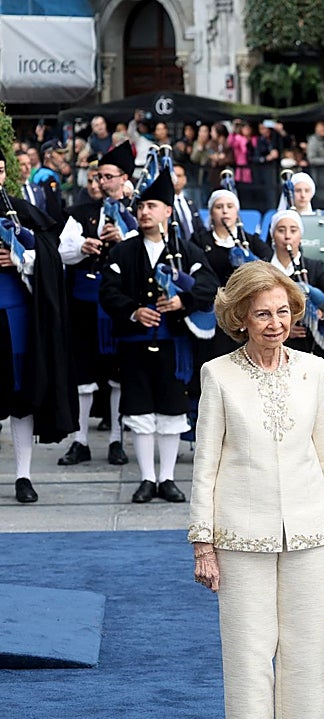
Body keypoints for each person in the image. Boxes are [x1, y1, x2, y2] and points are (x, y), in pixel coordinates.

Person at [190, 260, 324, 719]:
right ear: (239, 317)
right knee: (248, 654)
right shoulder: (217, 375)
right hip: (241, 535)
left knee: (309, 654)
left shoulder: (312, 369)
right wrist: (203, 541)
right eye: (261, 313)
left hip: (311, 531)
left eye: (283, 311)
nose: (274, 322)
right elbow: (205, 466)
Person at [98, 169, 218, 503]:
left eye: (151, 206)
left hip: (173, 345)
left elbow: (209, 284)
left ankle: (167, 478)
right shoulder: (123, 251)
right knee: (138, 409)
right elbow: (108, 291)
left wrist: (184, 300)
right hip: (134, 344)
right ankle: (146, 478)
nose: (144, 212)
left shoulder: (187, 250)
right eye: (140, 207)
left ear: (167, 211)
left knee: (171, 408)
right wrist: (134, 311)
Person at [0, 149, 75, 503]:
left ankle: (23, 476)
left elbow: (50, 250)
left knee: (20, 396)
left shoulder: (19, 208)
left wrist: (24, 253)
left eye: (0, 170)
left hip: (17, 314)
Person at [57, 140, 137, 468]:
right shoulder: (81, 213)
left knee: (118, 372)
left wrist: (125, 239)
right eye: (99, 177)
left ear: (123, 178)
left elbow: (155, 248)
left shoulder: (139, 212)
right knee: (84, 371)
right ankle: (81, 440)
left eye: (107, 176)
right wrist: (82, 246)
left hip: (120, 304)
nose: (101, 182)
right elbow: (61, 250)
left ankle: (117, 439)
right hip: (85, 303)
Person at [267, 210, 324, 358]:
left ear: (300, 236)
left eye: (293, 230)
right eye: (281, 230)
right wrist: (284, 327)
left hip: (306, 347)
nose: (287, 236)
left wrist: (316, 315)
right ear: (272, 235)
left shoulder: (314, 267)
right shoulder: (262, 268)